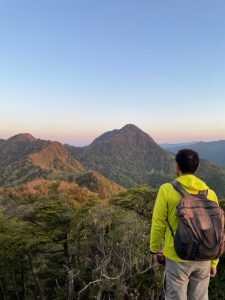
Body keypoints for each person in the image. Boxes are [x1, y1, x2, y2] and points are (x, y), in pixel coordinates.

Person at [150, 149, 219, 300]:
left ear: (177, 166)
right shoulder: (210, 193)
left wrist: (154, 250)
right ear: (197, 167)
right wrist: (214, 261)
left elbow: (158, 224)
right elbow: (217, 230)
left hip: (177, 257)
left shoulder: (166, 190)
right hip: (204, 257)